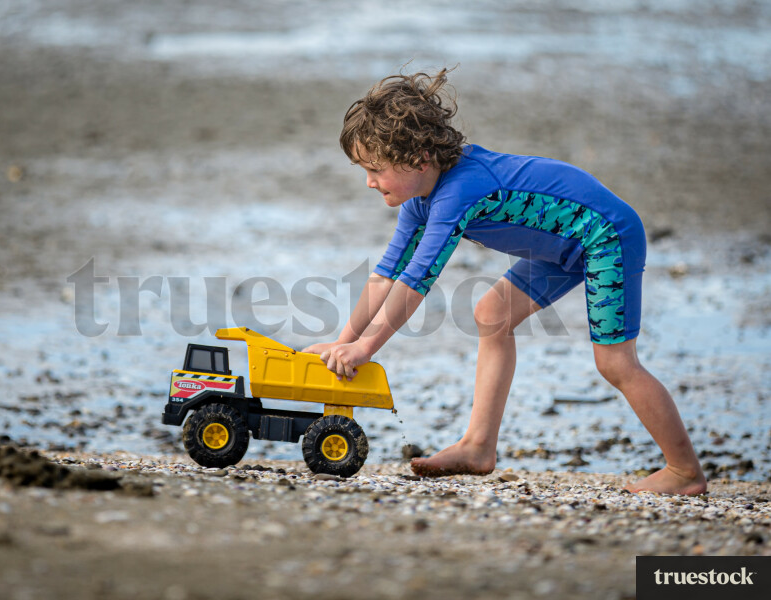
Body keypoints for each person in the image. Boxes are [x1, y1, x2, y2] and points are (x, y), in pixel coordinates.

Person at [302, 69, 706, 496]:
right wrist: (342, 340)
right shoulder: (421, 199)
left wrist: (365, 349)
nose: (368, 182)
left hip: (606, 235)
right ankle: (478, 447)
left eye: (375, 169)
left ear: (419, 158)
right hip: (565, 247)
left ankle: (684, 471)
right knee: (492, 313)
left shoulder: (459, 193)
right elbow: (387, 274)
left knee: (616, 363)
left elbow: (416, 282)